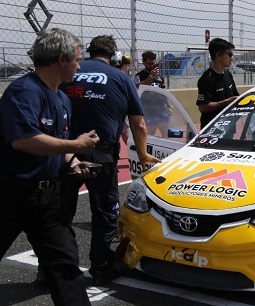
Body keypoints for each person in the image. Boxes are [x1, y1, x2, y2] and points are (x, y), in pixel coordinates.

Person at [0, 28, 100, 305]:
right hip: (11, 193)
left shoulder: (62, 98)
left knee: (66, 265)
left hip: (49, 197)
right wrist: (75, 147)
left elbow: (58, 144)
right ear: (61, 59)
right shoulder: (24, 92)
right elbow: (25, 140)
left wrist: (75, 162)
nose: (79, 66)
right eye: (77, 59)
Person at [60, 35, 160, 284]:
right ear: (114, 56)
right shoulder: (121, 78)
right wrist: (143, 152)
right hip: (101, 152)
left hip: (63, 151)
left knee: (59, 212)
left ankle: (53, 265)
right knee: (104, 212)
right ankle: (101, 266)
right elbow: (138, 123)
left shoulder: (70, 71)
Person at [196, 38, 240, 129]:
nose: (232, 58)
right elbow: (203, 107)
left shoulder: (228, 75)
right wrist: (227, 102)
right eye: (229, 54)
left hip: (229, 128)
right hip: (211, 130)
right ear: (218, 55)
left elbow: (236, 96)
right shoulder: (207, 79)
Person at [115, 53, 132, 144]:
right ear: (124, 65)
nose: (128, 68)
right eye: (127, 65)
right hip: (120, 109)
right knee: (125, 132)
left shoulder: (111, 74)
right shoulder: (123, 77)